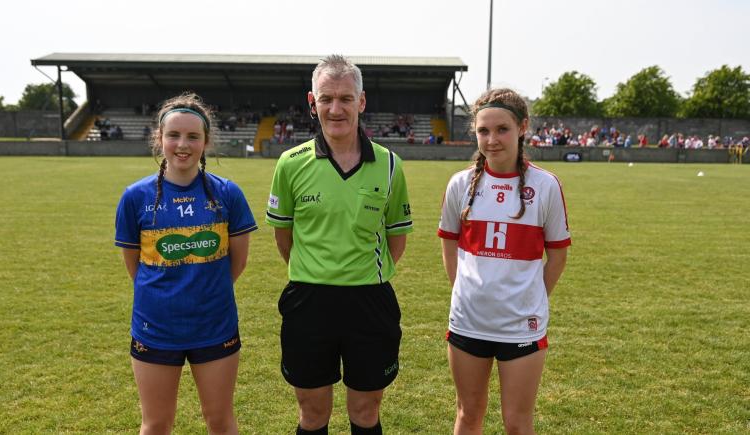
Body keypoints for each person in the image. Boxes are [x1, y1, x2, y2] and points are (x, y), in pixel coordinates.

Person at [266, 55, 413, 435]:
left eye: (346, 98)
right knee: (313, 412)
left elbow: (396, 237)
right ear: (312, 102)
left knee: (366, 411)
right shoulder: (290, 163)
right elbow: (284, 238)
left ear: (361, 102)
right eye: (326, 98)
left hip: (370, 300)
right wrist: (315, 270)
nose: (336, 109)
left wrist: (363, 271)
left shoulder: (390, 165)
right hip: (308, 301)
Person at [114, 92, 257, 435]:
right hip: (155, 327)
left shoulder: (228, 194)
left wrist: (206, 292)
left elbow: (237, 263)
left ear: (206, 141)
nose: (183, 144)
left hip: (214, 325)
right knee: (156, 424)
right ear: (159, 138)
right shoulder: (135, 197)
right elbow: (135, 267)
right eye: (174, 135)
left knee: (220, 421)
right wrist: (164, 295)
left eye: (193, 136)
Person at [437, 88, 570, 435]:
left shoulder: (546, 186)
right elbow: (449, 245)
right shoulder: (460, 184)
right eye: (483, 131)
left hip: (521, 324)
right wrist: (463, 292)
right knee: (468, 414)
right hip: (469, 321)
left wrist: (531, 298)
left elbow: (558, 255)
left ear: (522, 127)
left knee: (517, 422)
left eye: (502, 129)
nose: (492, 139)